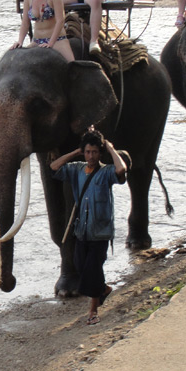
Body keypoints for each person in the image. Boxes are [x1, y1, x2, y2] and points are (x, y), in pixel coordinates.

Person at [49, 128, 127, 325]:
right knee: (82, 269)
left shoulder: (106, 172)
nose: (91, 156)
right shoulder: (76, 169)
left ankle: (93, 311)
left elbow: (121, 170)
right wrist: (76, 152)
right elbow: (54, 166)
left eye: (94, 152)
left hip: (100, 232)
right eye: (88, 152)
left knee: (93, 271)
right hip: (82, 231)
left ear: (100, 153)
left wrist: (110, 149)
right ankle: (104, 290)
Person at [11, 0, 75, 61]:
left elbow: (60, 20)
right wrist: (20, 41)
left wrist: (50, 43)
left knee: (71, 65)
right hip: (37, 41)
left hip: (58, 40)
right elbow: (25, 23)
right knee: (16, 62)